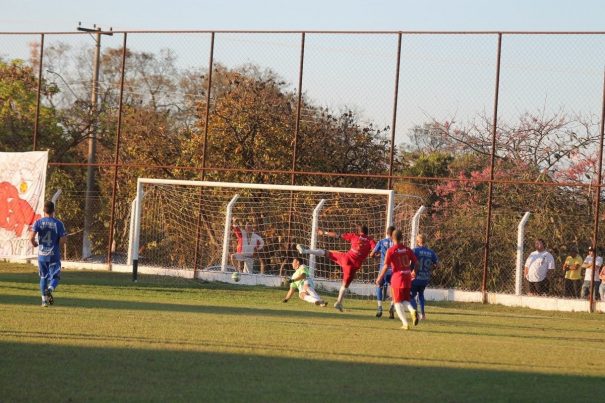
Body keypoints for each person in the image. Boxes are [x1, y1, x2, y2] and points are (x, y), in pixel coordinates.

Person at [296, 223, 376, 312]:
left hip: (345, 258)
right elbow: (374, 252)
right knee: (345, 285)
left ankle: (306, 251)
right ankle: (338, 303)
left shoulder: (354, 235)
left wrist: (323, 233)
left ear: (359, 231)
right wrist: (373, 254)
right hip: (353, 266)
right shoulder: (370, 240)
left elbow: (337, 235)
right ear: (367, 232)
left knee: (326, 252)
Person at [375, 229, 418, 330]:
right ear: (401, 237)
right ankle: (412, 311)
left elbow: (385, 267)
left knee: (397, 302)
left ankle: (405, 324)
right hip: (408, 277)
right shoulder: (407, 249)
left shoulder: (391, 250)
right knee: (405, 300)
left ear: (392, 238)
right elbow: (417, 263)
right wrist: (414, 272)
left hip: (397, 278)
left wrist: (379, 278)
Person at [29, 201, 66, 307]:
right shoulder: (58, 224)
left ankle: (44, 301)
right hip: (53, 254)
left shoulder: (38, 222)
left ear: (44, 210)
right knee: (56, 276)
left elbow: (31, 237)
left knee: (43, 277)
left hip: (42, 255)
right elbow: (63, 239)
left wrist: (35, 244)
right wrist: (57, 245)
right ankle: (50, 289)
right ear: (54, 210)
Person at [369, 225, 395, 318]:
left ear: (387, 233)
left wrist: (378, 257)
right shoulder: (397, 244)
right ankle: (392, 306)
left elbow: (371, 254)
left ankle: (379, 307)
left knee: (379, 286)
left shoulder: (381, 242)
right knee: (394, 289)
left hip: (383, 269)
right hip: (394, 271)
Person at [411, 233, 438, 320]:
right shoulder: (431, 252)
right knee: (421, 294)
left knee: (411, 296)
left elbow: (409, 262)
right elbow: (437, 264)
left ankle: (416, 314)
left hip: (415, 277)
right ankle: (423, 314)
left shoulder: (415, 251)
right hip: (425, 278)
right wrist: (431, 269)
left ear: (417, 241)